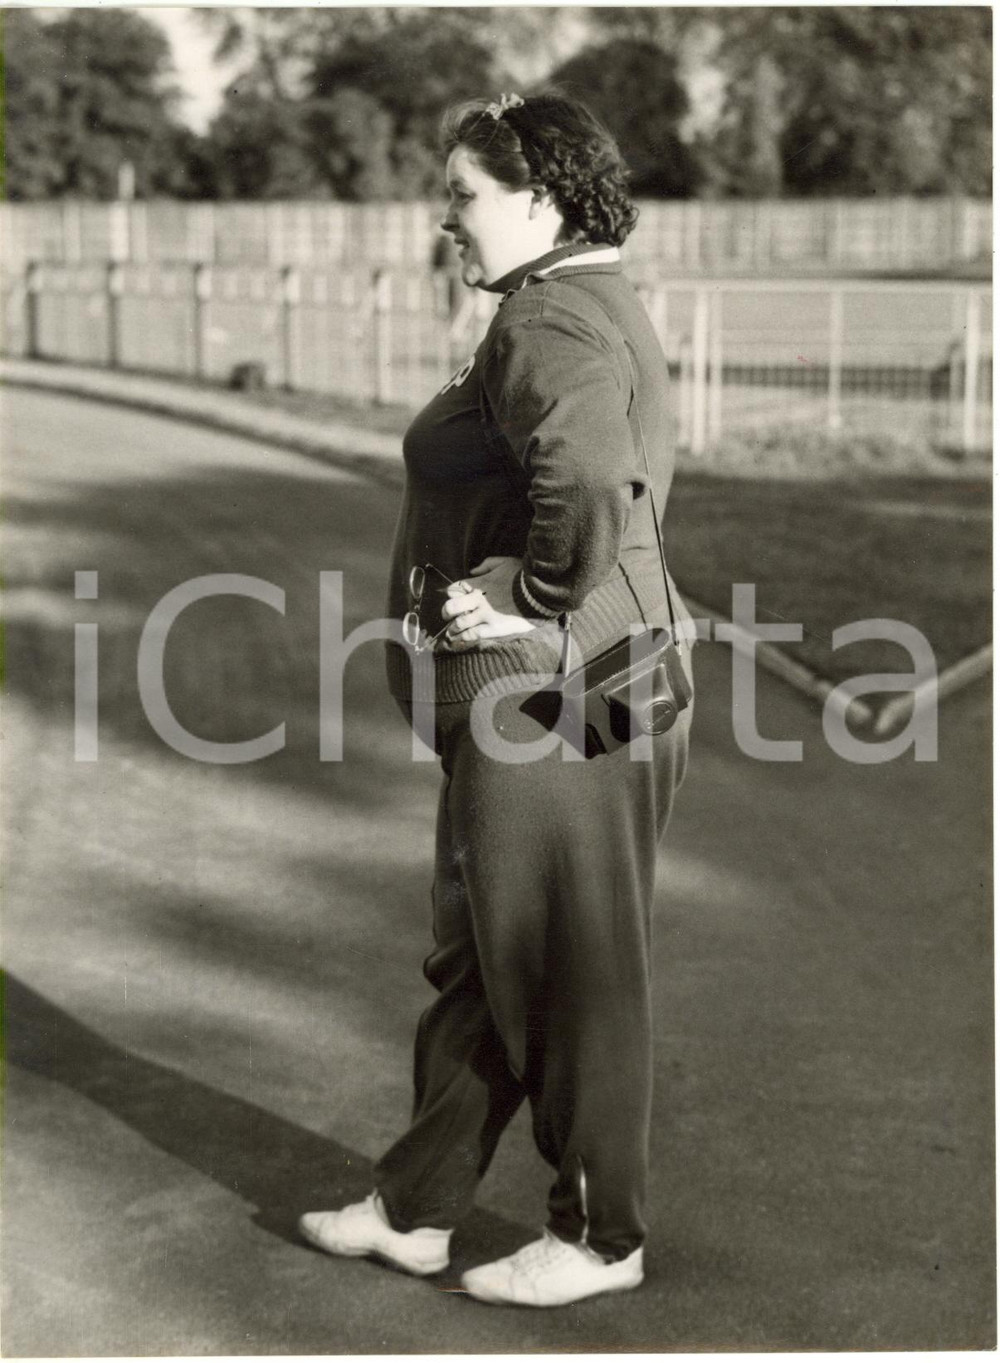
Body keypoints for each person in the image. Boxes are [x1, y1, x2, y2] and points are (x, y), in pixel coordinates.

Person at [300, 89, 694, 1309]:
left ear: (536, 196)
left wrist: (530, 589)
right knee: (484, 960)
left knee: (571, 968)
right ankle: (416, 1208)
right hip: (592, 682)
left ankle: (597, 1236)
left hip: (552, 702)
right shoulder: (580, 299)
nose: (445, 219)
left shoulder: (547, 319)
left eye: (462, 195)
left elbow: (583, 475)